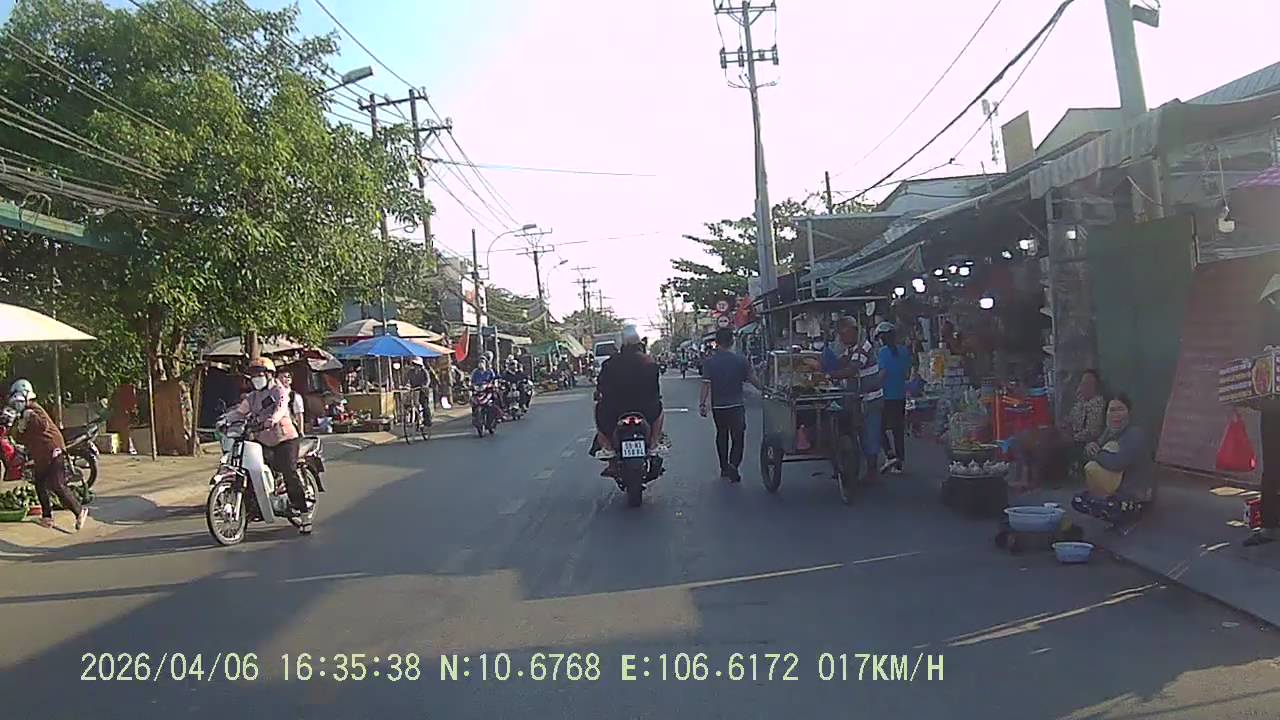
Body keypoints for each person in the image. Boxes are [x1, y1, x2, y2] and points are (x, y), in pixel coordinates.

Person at [224, 358, 310, 531]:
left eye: (260, 374)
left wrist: (272, 419)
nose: (256, 378)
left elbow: (281, 407)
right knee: (249, 469)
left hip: (285, 439)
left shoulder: (279, 390)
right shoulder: (253, 397)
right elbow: (240, 412)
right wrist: (224, 420)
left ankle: (303, 513)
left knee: (289, 471)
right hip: (262, 441)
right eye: (253, 375)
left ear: (270, 375)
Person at [7, 380, 88, 530]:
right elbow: (21, 438)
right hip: (41, 455)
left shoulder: (34, 409)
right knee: (40, 484)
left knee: (57, 484)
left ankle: (79, 511)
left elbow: (42, 425)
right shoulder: (23, 414)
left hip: (53, 449)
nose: (17, 405)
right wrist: (17, 427)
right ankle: (47, 517)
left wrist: (30, 417)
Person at [1070, 394, 1156, 529]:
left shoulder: (1135, 434)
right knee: (1079, 499)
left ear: (1129, 413)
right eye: (1112, 410)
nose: (1116, 415)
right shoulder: (1110, 432)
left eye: (1120, 409)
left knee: (1107, 505)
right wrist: (1090, 448)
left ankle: (1128, 521)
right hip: (1115, 492)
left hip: (1135, 499)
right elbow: (1094, 455)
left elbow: (1117, 463)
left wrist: (1097, 453)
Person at [699, 327, 762, 482]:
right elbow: (752, 379)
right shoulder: (741, 360)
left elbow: (706, 384)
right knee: (738, 436)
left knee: (722, 434)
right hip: (736, 405)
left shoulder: (710, 362)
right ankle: (733, 465)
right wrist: (765, 389)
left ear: (717, 342)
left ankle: (724, 467)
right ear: (732, 341)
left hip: (718, 406)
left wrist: (702, 404)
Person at [594, 325, 664, 461]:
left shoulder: (609, 363)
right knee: (659, 410)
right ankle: (654, 444)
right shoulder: (649, 361)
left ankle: (607, 447)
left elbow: (601, 387)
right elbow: (655, 389)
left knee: (598, 410)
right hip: (645, 408)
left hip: (615, 409)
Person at [827, 316, 883, 481]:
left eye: (843, 334)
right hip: (857, 399)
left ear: (853, 331)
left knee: (870, 435)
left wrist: (829, 375)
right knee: (855, 431)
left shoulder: (863, 348)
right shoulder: (851, 350)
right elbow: (841, 362)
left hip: (870, 399)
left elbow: (852, 370)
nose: (841, 338)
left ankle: (872, 472)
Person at [1247, 275, 1280, 545]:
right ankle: (1269, 525)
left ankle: (1270, 525)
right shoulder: (1264, 314)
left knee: (1272, 466)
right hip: (1272, 407)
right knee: (1272, 466)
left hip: (1271, 407)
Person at [877, 322, 911, 474]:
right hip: (900, 395)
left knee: (878, 428)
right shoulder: (904, 351)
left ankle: (890, 454)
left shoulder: (883, 352)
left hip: (886, 396)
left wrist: (873, 384)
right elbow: (907, 373)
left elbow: (882, 373)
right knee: (898, 430)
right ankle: (899, 463)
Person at [276, 367, 306, 435]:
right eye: (282, 377)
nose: (285, 379)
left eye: (288, 377)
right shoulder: (272, 394)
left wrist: (300, 431)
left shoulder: (294, 396)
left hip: (289, 429)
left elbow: (299, 415)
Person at [407, 357, 435, 426]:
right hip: (414, 389)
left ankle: (427, 420)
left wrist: (424, 386)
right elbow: (407, 380)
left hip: (423, 390)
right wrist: (407, 385)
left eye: (417, 365)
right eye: (414, 364)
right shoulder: (410, 372)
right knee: (412, 403)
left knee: (424, 405)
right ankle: (414, 418)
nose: (415, 366)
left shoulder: (424, 371)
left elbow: (428, 380)